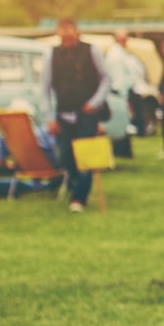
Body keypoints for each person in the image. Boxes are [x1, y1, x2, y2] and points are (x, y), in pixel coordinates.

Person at [40, 18, 112, 213]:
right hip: (63, 112)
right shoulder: (51, 54)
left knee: (85, 155)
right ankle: (73, 185)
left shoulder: (91, 51)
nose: (67, 37)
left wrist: (95, 102)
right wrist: (49, 117)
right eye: (63, 34)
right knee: (66, 156)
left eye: (69, 33)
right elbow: (44, 87)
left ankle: (79, 197)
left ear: (76, 32)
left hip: (86, 112)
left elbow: (106, 78)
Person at [105, 29, 148, 135]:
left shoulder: (122, 53)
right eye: (124, 39)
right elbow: (118, 77)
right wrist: (123, 93)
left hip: (127, 90)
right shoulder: (115, 54)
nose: (126, 41)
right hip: (120, 92)